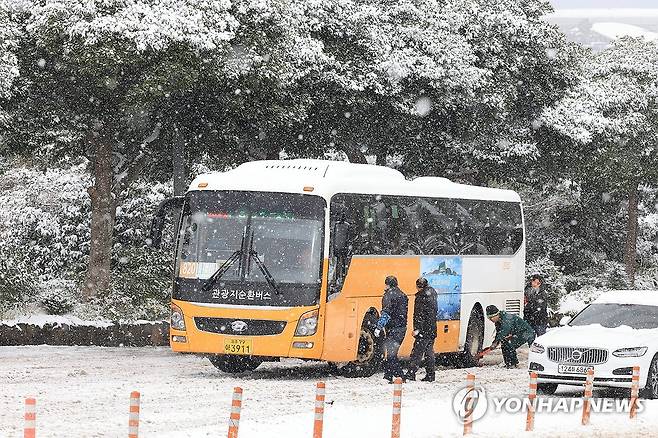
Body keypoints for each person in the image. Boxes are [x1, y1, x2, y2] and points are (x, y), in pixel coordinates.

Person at [374, 275, 409, 383]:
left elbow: (386, 313)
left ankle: (401, 377)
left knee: (391, 356)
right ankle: (387, 376)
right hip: (401, 328)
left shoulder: (389, 295)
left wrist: (379, 327)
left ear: (387, 284)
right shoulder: (402, 294)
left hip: (394, 329)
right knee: (391, 354)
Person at [405, 277, 438, 382]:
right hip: (432, 329)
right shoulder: (432, 294)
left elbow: (419, 315)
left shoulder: (421, 297)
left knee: (417, 353)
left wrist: (417, 329)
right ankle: (431, 375)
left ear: (418, 286)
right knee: (429, 353)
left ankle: (411, 374)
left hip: (423, 330)